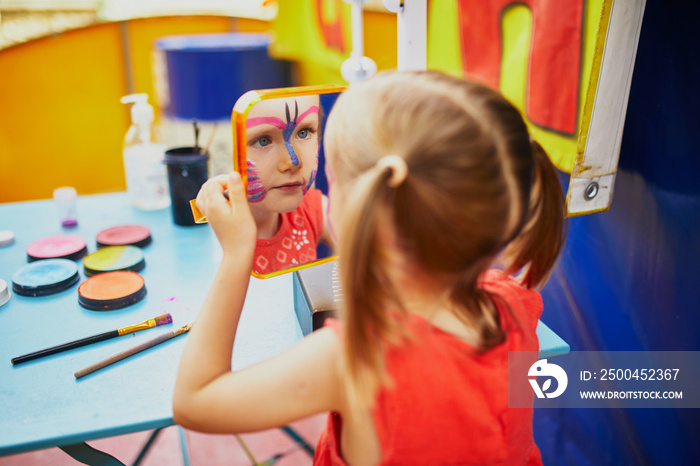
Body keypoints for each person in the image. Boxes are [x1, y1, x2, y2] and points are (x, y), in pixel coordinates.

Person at [173, 70, 565, 465]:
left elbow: (194, 401)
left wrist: (238, 254)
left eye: (333, 180)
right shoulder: (515, 303)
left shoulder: (354, 359)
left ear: (366, 203)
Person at [244, 94, 334, 274]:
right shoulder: (209, 240)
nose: (294, 161)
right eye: (263, 141)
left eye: (304, 132)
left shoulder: (310, 209)